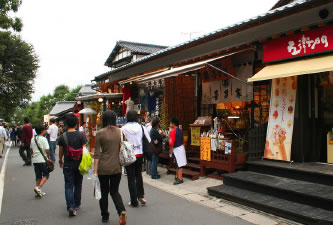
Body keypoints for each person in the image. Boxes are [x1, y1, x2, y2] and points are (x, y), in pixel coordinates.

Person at [94, 110, 127, 224]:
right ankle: (121, 211)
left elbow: (97, 153)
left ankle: (105, 215)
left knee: (104, 192)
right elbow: (125, 145)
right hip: (116, 166)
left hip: (103, 167)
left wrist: (95, 171)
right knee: (114, 191)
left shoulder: (100, 133)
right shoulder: (120, 132)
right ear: (114, 119)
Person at [58, 114, 87, 217]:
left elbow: (61, 150)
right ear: (76, 124)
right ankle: (77, 203)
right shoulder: (81, 135)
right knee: (78, 184)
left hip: (68, 164)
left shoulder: (63, 136)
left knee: (68, 185)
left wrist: (60, 161)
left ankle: (71, 206)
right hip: (79, 163)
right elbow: (84, 150)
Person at [121, 110, 151, 207]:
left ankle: (133, 200)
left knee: (130, 178)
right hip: (139, 155)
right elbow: (148, 139)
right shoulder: (142, 127)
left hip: (129, 156)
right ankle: (141, 196)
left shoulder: (123, 128)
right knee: (138, 175)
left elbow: (121, 141)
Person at [30, 125, 50, 198]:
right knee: (46, 174)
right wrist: (48, 158)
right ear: (42, 131)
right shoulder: (44, 139)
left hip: (35, 159)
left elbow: (31, 149)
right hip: (42, 159)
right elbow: (47, 150)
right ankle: (38, 188)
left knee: (38, 175)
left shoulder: (33, 139)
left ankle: (38, 191)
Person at [169, 118, 187, 185]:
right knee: (179, 164)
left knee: (178, 164)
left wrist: (170, 151)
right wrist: (184, 148)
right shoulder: (180, 130)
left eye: (170, 123)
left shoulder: (172, 132)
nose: (170, 124)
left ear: (173, 124)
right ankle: (177, 177)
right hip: (181, 148)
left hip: (176, 149)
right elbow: (184, 141)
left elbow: (171, 143)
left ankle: (180, 178)